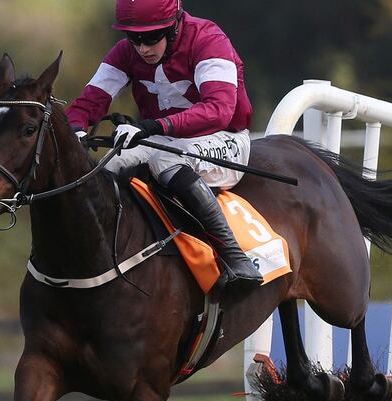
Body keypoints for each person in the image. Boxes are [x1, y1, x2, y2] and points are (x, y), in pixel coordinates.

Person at [66, 0, 263, 289]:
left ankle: (235, 259)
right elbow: (90, 99)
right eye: (134, 38)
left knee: (165, 161)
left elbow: (219, 110)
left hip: (226, 140)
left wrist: (152, 126)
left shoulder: (208, 40)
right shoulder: (125, 53)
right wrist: (75, 130)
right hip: (164, 139)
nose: (142, 48)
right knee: (110, 163)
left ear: (174, 26)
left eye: (150, 37)